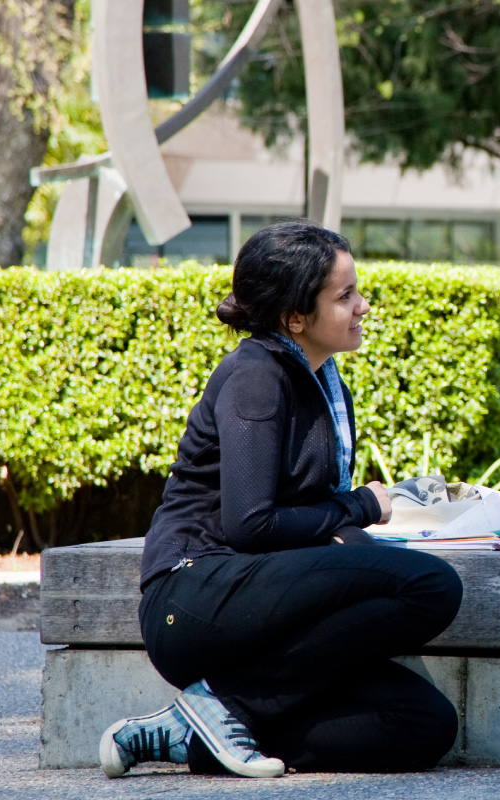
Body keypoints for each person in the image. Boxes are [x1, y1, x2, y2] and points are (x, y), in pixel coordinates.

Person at [98, 220, 463, 779]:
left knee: (422, 722)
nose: (363, 307)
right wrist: (362, 508)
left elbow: (307, 515)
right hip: (195, 594)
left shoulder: (323, 380)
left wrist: (350, 533)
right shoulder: (256, 376)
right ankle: (225, 704)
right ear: (295, 317)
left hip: (265, 609)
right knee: (432, 585)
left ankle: (186, 734)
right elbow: (250, 525)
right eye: (345, 296)